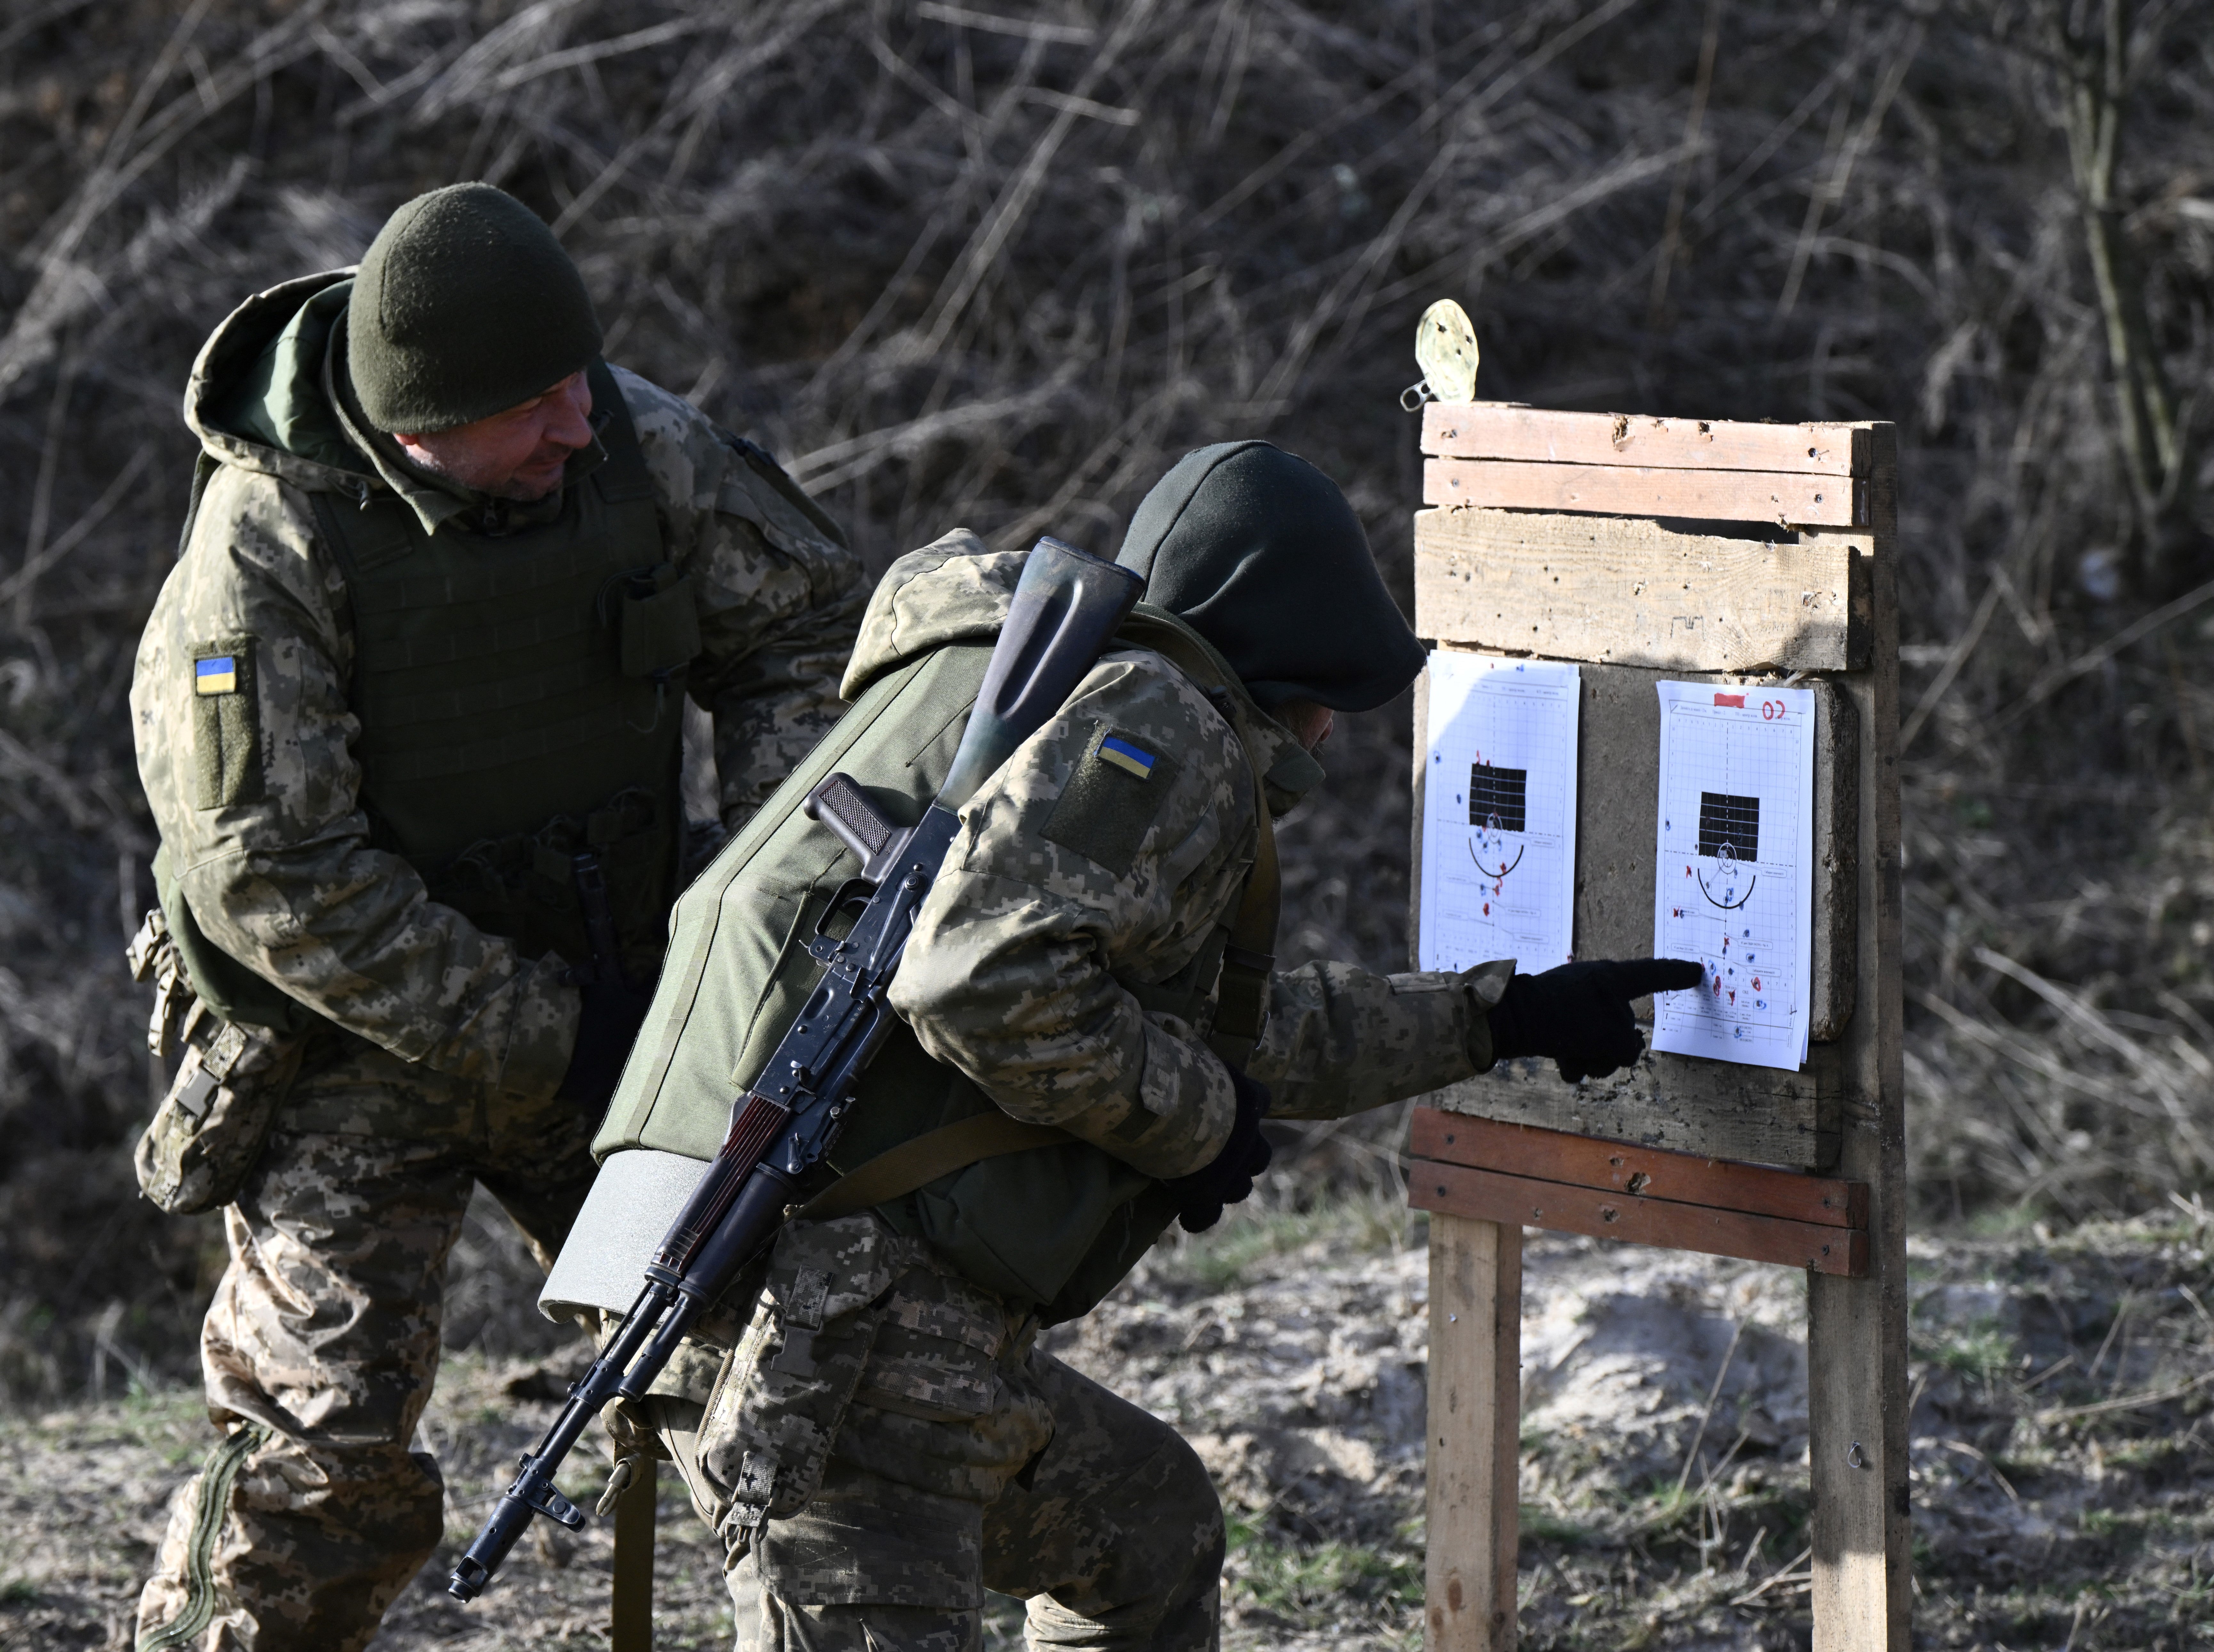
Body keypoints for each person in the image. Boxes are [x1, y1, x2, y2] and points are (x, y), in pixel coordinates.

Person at [549, 440, 1701, 1649]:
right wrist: (1193, 1124)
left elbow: (1216, 1024)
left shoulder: (1005, 684)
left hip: (705, 1249)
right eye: (1330, 701)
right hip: (836, 1333)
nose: (1330, 738)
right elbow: (981, 974)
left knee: (1150, 1532)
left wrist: (1499, 1017)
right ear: (1284, 659)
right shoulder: (1166, 724)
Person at [127, 182, 863, 1651]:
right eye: (532, 408)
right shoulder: (267, 549)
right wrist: (556, 1036)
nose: (575, 425)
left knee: (785, 1372)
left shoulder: (635, 446)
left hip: (618, 984)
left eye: (577, 383)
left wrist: (762, 907)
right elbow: (276, 876)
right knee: (317, 1473)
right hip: (349, 1043)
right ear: (420, 424)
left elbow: (806, 633)